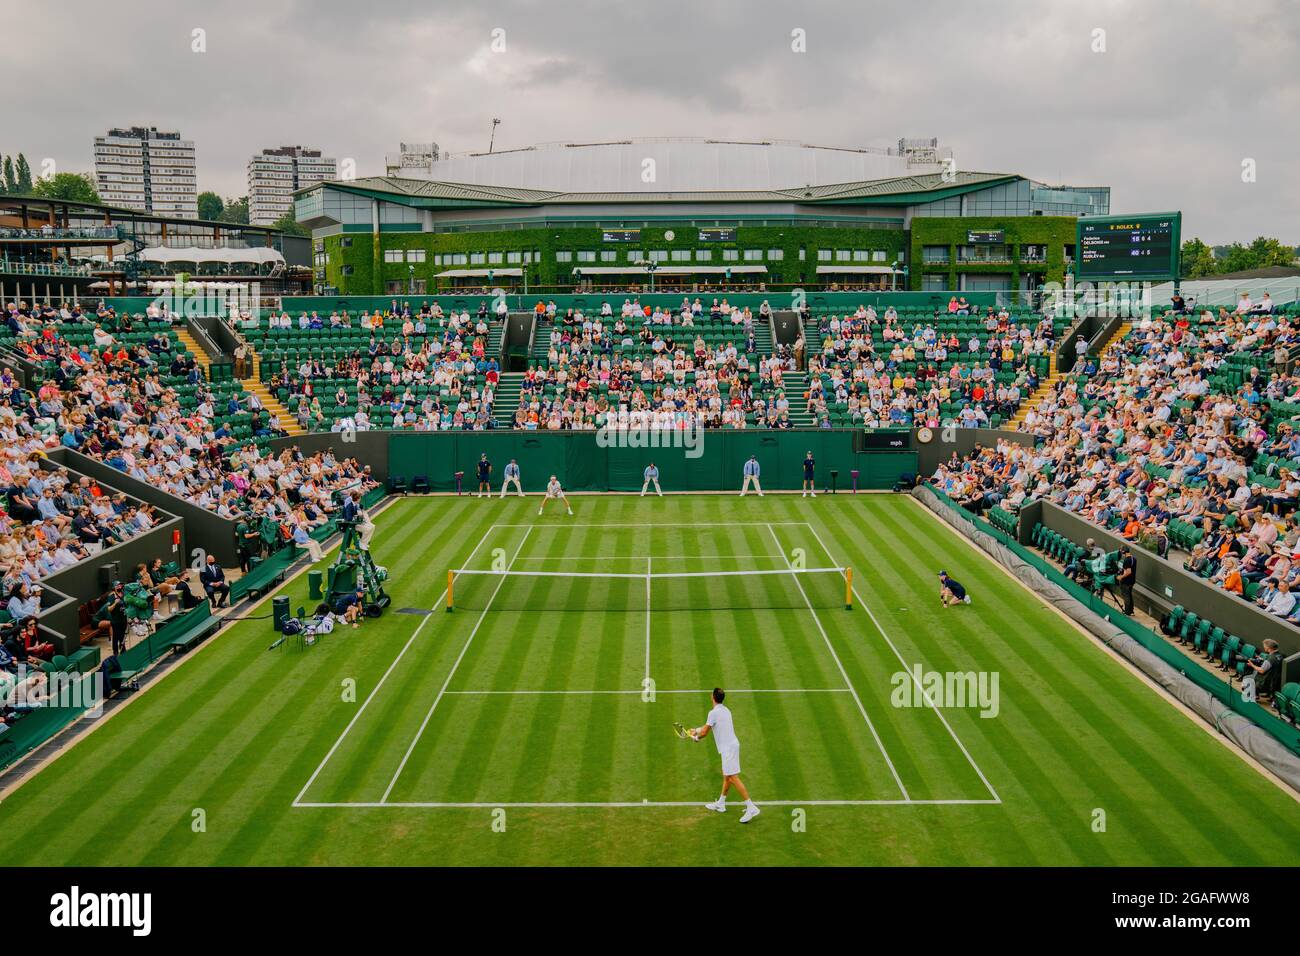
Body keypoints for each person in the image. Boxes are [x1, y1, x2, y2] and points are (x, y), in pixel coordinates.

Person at [691, 688, 759, 823]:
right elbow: (709, 726)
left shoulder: (713, 713)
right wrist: (696, 730)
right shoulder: (726, 710)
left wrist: (696, 737)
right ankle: (721, 803)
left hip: (728, 749)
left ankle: (751, 807)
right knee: (727, 776)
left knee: (733, 777)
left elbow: (705, 732)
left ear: (712, 697)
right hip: (732, 746)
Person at [1116, 545, 1137, 614]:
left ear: (1123, 551)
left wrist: (1120, 577)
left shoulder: (1127, 560)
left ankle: (1127, 612)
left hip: (1126, 581)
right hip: (1132, 581)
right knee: (1129, 595)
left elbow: (1128, 572)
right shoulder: (1133, 558)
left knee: (1126, 596)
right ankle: (1131, 610)